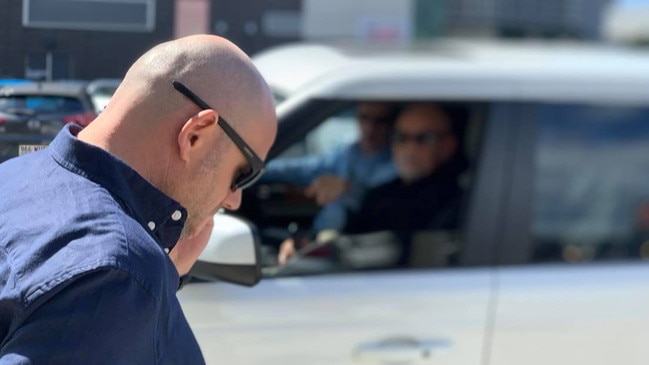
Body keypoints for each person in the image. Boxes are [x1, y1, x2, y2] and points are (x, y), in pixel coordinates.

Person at [0, 35, 276, 364]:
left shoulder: (16, 174)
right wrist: (147, 285)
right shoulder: (118, 274)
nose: (234, 200)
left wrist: (161, 274)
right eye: (242, 174)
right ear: (196, 134)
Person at [279, 102, 467, 264]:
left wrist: (318, 253)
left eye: (424, 139)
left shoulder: (457, 202)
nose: (410, 148)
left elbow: (388, 251)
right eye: (401, 137)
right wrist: (303, 245)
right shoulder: (384, 190)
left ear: (448, 145)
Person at [261, 102, 399, 232]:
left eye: (380, 121)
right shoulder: (346, 153)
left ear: (393, 124)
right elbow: (301, 169)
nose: (370, 127)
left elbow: (384, 196)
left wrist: (348, 189)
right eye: (364, 118)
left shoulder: (399, 162)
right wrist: (257, 168)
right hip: (326, 240)